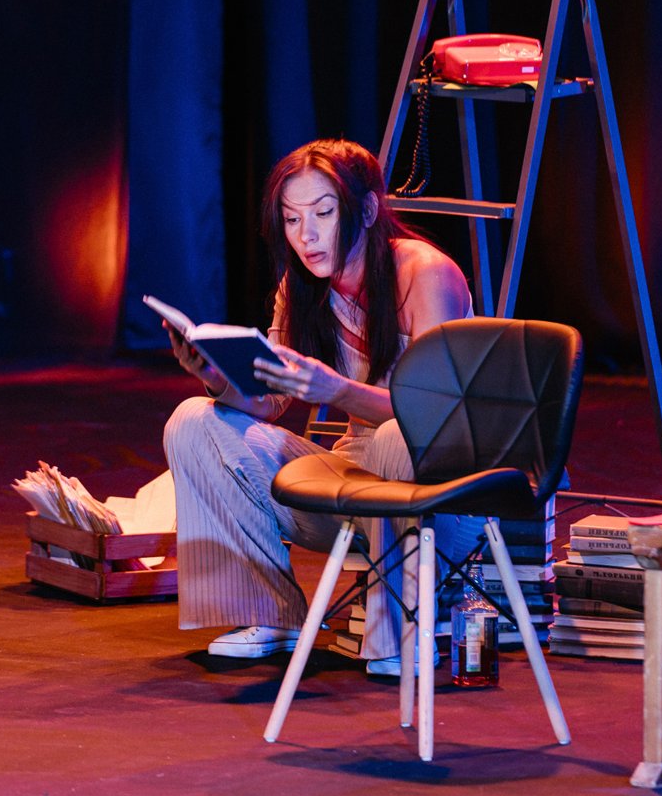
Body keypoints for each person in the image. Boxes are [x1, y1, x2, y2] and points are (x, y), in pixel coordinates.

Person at [159, 138, 477, 675]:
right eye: (291, 219)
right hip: (355, 488)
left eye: (323, 214)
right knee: (193, 420)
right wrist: (212, 376)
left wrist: (337, 391)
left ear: (368, 210)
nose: (305, 235)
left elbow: (436, 417)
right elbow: (268, 403)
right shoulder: (301, 287)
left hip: (440, 493)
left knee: (396, 436)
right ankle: (267, 611)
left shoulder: (426, 273)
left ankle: (397, 629)